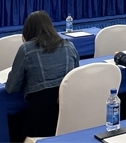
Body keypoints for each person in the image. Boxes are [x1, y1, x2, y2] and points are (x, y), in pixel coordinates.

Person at [6, 11, 79, 142]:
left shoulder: (26, 49)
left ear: (28, 31)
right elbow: (75, 78)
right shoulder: (69, 45)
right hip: (67, 115)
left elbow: (11, 88)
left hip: (39, 118)